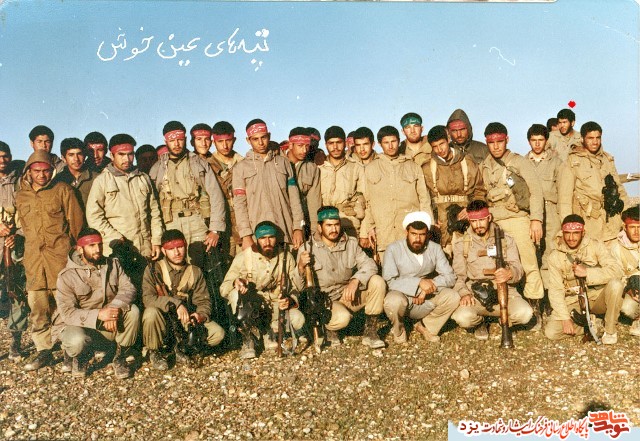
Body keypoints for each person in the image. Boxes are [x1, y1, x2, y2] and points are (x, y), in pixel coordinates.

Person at [16, 151, 84, 370]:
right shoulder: (21, 196)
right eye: (37, 171)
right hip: (34, 262)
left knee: (65, 307)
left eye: (46, 171)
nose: (42, 175)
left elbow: (77, 226)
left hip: (60, 260)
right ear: (29, 171)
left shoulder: (63, 190)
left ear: (52, 171)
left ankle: (69, 351)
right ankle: (43, 350)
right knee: (38, 308)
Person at [480, 122, 544, 324]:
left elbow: (535, 192)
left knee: (528, 262)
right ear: (486, 143)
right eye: (491, 142)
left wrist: (536, 219)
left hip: (517, 218)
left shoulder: (519, 162)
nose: (496, 146)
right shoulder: (484, 166)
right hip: (494, 221)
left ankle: (535, 309)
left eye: (500, 141)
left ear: (507, 140)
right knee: (496, 263)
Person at [54, 228, 139, 378]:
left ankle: (120, 357)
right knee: (77, 341)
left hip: (107, 322)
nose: (98, 249)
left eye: (100, 244)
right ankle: (79, 356)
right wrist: (99, 314)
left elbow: (128, 288)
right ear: (80, 249)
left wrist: (113, 309)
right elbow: (68, 313)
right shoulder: (67, 276)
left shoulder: (113, 264)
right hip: (79, 326)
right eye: (92, 245)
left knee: (133, 312)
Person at [297, 207, 386, 348]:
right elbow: (299, 286)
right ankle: (329, 329)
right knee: (342, 318)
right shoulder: (307, 249)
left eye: (336, 224)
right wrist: (301, 267)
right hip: (327, 301)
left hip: (348, 295)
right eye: (329, 225)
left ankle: (371, 331)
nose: (334, 229)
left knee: (377, 282)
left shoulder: (351, 243)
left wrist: (356, 280)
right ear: (319, 227)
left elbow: (370, 265)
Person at [142, 229, 225, 370]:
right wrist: (176, 304)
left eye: (179, 247)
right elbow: (148, 298)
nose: (176, 252)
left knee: (218, 334)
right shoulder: (154, 269)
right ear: (164, 251)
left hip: (185, 320)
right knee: (151, 313)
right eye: (171, 249)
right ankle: (154, 351)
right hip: (163, 319)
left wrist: (200, 315)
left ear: (185, 245)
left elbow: (203, 301)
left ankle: (185, 348)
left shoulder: (195, 271)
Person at [220, 221, 304, 359]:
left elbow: (295, 287)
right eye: (263, 238)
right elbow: (223, 288)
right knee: (235, 294)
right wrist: (235, 283)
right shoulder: (244, 257)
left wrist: (290, 300)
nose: (267, 242)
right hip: (254, 309)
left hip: (276, 305)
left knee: (298, 319)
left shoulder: (286, 257)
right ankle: (248, 339)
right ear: (256, 239)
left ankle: (269, 333)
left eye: (271, 237)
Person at [451, 200, 533, 340]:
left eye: (482, 220)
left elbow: (518, 268)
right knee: (462, 317)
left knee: (525, 314)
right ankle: (480, 323)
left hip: (505, 291)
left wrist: (509, 273)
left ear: (489, 217)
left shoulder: (506, 239)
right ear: (469, 220)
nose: (478, 225)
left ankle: (505, 321)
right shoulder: (462, 244)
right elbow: (458, 276)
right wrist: (464, 294)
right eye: (474, 221)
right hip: (476, 294)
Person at [149, 121, 226, 268]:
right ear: (166, 142)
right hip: (170, 223)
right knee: (176, 268)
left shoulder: (199, 163)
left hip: (197, 222)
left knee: (202, 266)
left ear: (185, 139)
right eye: (172, 140)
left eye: (180, 139)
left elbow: (216, 196)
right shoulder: (157, 168)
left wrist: (215, 229)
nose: (177, 144)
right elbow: (152, 204)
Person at [544, 215, 624, 344]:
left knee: (616, 285)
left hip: (598, 297)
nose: (571, 238)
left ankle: (610, 330)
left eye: (576, 233)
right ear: (562, 233)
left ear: (583, 232)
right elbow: (555, 289)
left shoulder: (595, 245)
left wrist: (588, 273)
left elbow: (616, 271)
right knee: (552, 332)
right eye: (567, 233)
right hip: (574, 300)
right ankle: (596, 323)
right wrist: (564, 317)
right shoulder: (555, 256)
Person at [383, 212, 459, 343]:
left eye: (422, 235)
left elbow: (450, 276)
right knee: (393, 301)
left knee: (452, 297)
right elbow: (390, 280)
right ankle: (399, 329)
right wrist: (418, 284)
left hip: (426, 298)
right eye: (413, 234)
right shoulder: (393, 249)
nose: (417, 239)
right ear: (406, 232)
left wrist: (428, 287)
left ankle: (426, 326)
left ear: (427, 234)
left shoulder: (434, 248)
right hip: (402, 296)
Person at [87, 134, 164, 260]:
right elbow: (94, 216)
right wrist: (116, 237)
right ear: (112, 156)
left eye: (130, 154)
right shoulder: (102, 181)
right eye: (121, 154)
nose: (127, 159)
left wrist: (156, 240)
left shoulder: (143, 178)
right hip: (118, 251)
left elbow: (154, 212)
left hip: (146, 248)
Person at [361, 125, 432, 262]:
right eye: (386, 142)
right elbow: (367, 202)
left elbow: (424, 200)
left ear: (399, 141)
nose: (390, 146)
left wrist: (428, 226)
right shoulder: (370, 168)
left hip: (410, 235)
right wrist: (369, 228)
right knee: (388, 271)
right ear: (380, 144)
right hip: (384, 234)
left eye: (393, 141)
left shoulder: (413, 166)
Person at [232, 119, 305, 250]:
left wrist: (298, 228)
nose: (260, 143)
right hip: (257, 236)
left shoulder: (284, 163)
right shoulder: (240, 168)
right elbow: (239, 205)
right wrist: (246, 235)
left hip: (285, 232)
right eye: (255, 139)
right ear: (248, 140)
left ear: (269, 136)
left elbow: (294, 199)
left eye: (263, 137)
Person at [557, 121, 628, 244]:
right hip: (588, 226)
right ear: (582, 139)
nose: (595, 142)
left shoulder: (607, 160)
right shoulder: (572, 162)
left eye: (598, 138)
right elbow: (564, 199)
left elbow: (620, 190)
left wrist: (628, 217)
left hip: (612, 225)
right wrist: (569, 228)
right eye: (590, 138)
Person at [422, 125, 485, 255]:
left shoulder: (467, 162)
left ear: (448, 139)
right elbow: (424, 198)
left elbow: (479, 190)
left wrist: (471, 210)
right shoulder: (427, 168)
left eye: (442, 144)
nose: (440, 150)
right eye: (435, 146)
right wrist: (432, 220)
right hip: (441, 224)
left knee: (469, 254)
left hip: (466, 219)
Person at [0, 141, 28, 361]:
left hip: (15, 246)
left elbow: (29, 211)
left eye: (5, 156)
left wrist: (17, 233)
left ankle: (16, 340)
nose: (2, 160)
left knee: (16, 290)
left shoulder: (20, 180)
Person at [525, 124, 562, 288]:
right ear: (529, 141)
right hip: (530, 213)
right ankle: (534, 292)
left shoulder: (556, 162)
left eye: (541, 140)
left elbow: (562, 190)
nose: (537, 144)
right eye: (534, 140)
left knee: (550, 251)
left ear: (546, 140)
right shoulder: (522, 163)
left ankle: (548, 291)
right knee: (531, 252)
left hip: (551, 212)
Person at [318, 125, 366, 238]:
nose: (335, 147)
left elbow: (367, 201)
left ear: (345, 143)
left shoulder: (356, 167)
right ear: (326, 145)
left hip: (350, 226)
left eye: (339, 142)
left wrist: (364, 233)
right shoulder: (319, 168)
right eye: (331, 143)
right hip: (325, 228)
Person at [205, 121, 244, 258]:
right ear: (213, 142)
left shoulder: (243, 162)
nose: (225, 145)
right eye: (220, 141)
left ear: (234, 140)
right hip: (219, 226)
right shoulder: (207, 165)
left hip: (241, 224)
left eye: (228, 140)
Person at [286, 127, 322, 238]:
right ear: (290, 145)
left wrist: (315, 233)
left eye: (307, 146)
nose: (305, 150)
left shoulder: (312, 168)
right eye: (300, 146)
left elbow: (314, 203)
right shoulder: (277, 163)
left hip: (303, 226)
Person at [612, 206, 640, 336]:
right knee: (627, 308)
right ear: (625, 227)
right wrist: (628, 287)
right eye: (632, 227)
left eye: (639, 227)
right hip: (632, 289)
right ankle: (637, 318)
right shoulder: (616, 248)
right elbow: (615, 276)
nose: (636, 231)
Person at [53, 137, 97, 210]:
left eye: (79, 154)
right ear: (63, 158)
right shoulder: (57, 180)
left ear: (84, 156)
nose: (76, 159)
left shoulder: (96, 178)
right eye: (71, 155)